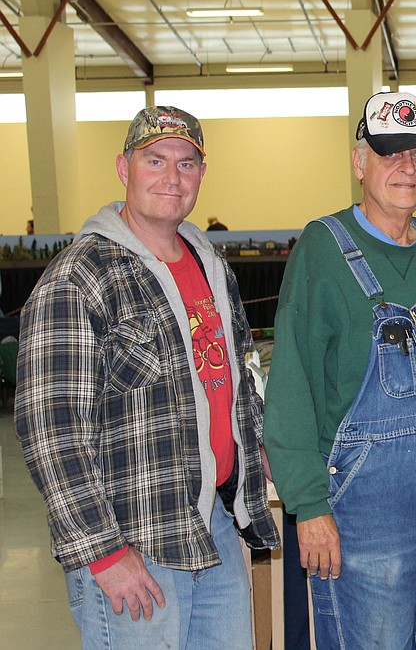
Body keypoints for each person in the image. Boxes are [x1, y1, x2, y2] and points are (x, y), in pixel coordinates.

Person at [15, 106, 280, 648]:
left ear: (202, 175)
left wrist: (258, 460)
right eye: (154, 160)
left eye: (186, 164)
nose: (171, 177)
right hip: (134, 542)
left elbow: (236, 384)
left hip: (216, 529)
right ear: (124, 168)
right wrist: (103, 552)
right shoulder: (79, 276)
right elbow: (51, 429)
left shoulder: (212, 267)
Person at [263, 91, 416, 649]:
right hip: (364, 512)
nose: (407, 167)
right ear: (359, 162)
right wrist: (308, 505)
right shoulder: (323, 250)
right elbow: (291, 387)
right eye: (390, 153)